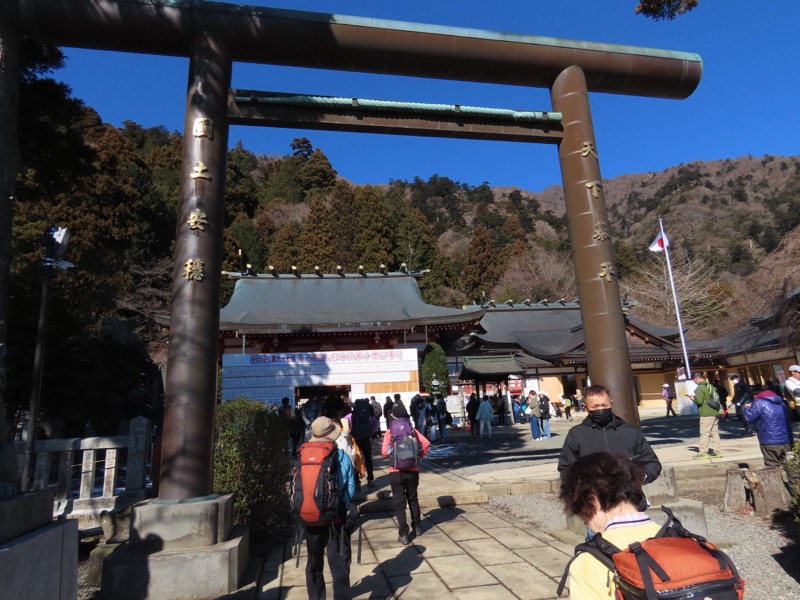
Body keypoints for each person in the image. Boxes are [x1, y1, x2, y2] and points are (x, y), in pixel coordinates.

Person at [559, 452, 661, 599]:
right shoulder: (685, 541)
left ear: (592, 500)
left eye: (583, 518)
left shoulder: (588, 564)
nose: (589, 526)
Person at [558, 385, 662, 491]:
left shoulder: (630, 431)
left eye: (604, 405)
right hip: (592, 496)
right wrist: (584, 485)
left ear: (611, 403)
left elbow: (652, 463)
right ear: (585, 407)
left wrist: (639, 477)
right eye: (595, 406)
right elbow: (565, 469)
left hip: (628, 495)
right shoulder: (576, 434)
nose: (600, 409)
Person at [302, 417, 356, 600]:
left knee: (314, 565)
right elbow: (350, 487)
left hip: (311, 518)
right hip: (336, 519)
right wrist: (341, 504)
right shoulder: (341, 456)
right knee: (339, 565)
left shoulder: (302, 455)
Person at [381, 405, 430, 545]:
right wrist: (419, 456)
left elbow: (384, 452)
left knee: (399, 503)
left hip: (396, 471)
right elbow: (426, 443)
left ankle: (403, 534)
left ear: (394, 416)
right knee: (413, 499)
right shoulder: (412, 430)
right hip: (413, 469)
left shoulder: (390, 431)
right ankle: (417, 527)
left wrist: (393, 455)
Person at [745, 389, 794, 466]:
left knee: (772, 466)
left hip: (769, 440)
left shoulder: (759, 402)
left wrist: (747, 408)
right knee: (789, 466)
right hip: (787, 440)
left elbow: (749, 417)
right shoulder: (782, 403)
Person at [689, 371, 722, 459]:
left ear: (697, 378)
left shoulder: (700, 388)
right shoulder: (710, 386)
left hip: (706, 413)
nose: (694, 382)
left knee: (704, 433)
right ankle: (717, 451)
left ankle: (703, 452)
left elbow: (699, 401)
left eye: (694, 380)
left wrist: (693, 399)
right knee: (714, 433)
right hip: (714, 411)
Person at [348, 398, 378, 488]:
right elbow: (376, 423)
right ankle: (370, 478)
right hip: (366, 438)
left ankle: (357, 482)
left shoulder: (351, 415)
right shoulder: (367, 414)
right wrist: (371, 431)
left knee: (356, 459)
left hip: (355, 439)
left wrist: (350, 432)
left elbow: (344, 421)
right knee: (368, 458)